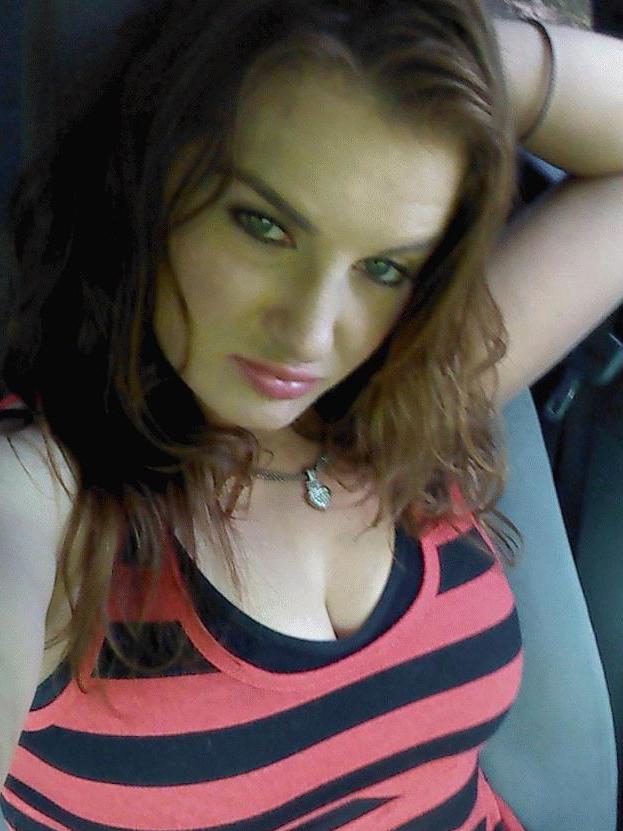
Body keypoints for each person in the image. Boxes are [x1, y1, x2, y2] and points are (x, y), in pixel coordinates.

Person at [1, 1, 623, 829]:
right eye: (262, 225)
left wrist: (421, 52)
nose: (311, 334)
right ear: (146, 184)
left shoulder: (405, 397)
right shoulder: (43, 489)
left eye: (384, 267)